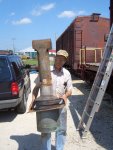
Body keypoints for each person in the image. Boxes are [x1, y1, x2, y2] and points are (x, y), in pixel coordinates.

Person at [28, 50, 73, 150]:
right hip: (46, 106)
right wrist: (33, 100)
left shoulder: (66, 73)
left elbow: (70, 90)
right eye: (58, 58)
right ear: (55, 58)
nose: (60, 61)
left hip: (60, 105)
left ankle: (59, 148)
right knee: (46, 129)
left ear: (65, 61)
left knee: (61, 130)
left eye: (63, 60)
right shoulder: (45, 71)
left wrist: (65, 96)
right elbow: (36, 88)